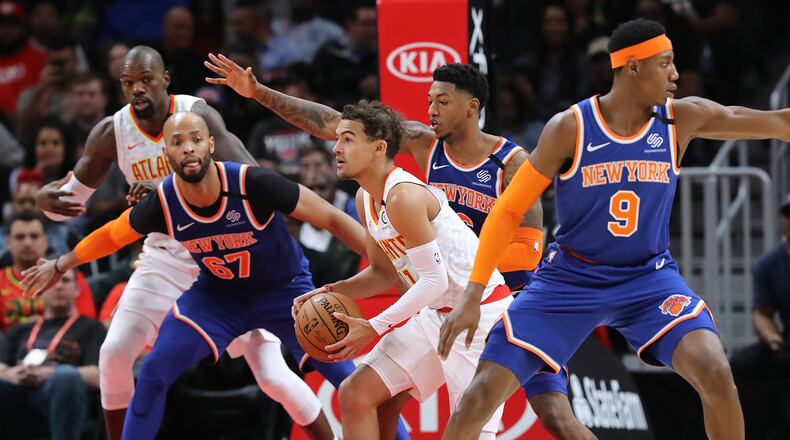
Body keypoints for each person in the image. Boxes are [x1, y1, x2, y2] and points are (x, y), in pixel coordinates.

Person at [438, 18, 790, 440]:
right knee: (478, 399)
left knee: (716, 372)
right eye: (666, 63)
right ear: (633, 67)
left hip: (649, 278)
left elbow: (775, 121)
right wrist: (473, 293)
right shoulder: (571, 127)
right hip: (570, 279)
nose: (676, 74)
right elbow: (509, 210)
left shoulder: (682, 119)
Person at [205, 53, 590, 438]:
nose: (431, 110)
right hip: (438, 302)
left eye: (443, 101)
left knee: (551, 412)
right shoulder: (416, 153)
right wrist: (259, 93)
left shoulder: (508, 162)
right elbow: (331, 122)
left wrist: (468, 259)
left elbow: (527, 251)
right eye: (429, 100)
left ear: (472, 107)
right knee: (362, 395)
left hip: (496, 306)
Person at [34, 46, 339, 440]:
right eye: (129, 83)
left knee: (272, 377)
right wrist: (46, 199)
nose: (137, 90)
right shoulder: (113, 131)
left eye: (145, 80)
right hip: (163, 258)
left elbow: (251, 181)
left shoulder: (199, 116)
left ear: (165, 80)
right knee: (112, 356)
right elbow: (70, 203)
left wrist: (166, 191)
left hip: (220, 256)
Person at [290, 100, 512, 440]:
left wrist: (374, 326)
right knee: (356, 394)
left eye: (348, 139)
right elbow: (382, 273)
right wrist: (330, 292)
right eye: (337, 139)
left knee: (471, 434)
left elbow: (435, 281)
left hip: (477, 316)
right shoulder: (366, 198)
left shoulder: (403, 196)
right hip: (438, 313)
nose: (336, 148)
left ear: (379, 147)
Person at [0, 268, 105, 440]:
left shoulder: (92, 328)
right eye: (52, 281)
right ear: (40, 290)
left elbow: (99, 375)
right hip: (18, 392)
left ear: (77, 289)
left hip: (60, 395)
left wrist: (48, 373)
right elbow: (1, 368)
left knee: (67, 376)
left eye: (66, 281)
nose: (59, 286)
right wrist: (13, 374)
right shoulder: (19, 330)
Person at [729, 194, 790, 439]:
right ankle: (760, 431)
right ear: (781, 219)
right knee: (742, 364)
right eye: (788, 213)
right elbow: (762, 314)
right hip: (787, 340)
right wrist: (774, 340)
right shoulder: (769, 263)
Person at [0, 212, 95, 332]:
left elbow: (86, 324)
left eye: (34, 236)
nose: (27, 243)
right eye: (20, 237)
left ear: (46, 240)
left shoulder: (69, 276)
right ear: (8, 242)